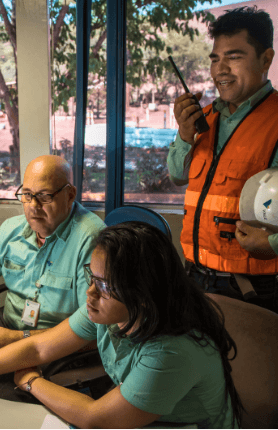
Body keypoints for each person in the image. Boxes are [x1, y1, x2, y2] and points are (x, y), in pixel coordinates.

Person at [0, 222, 242, 429]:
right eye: (91, 277)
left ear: (144, 295)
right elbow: (38, 349)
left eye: (104, 285)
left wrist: (31, 382)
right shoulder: (109, 309)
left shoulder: (172, 351)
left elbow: (93, 417)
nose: (90, 292)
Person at [167, 6, 278, 312]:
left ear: (265, 59)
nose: (220, 70)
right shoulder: (202, 118)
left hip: (251, 288)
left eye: (234, 56)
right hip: (194, 274)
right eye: (215, 59)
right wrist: (185, 135)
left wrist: (271, 245)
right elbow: (178, 175)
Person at [0, 154, 105, 347]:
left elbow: (93, 325)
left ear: (70, 195)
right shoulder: (9, 230)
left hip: (58, 347)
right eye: (28, 194)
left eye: (44, 196)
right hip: (8, 330)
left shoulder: (93, 240)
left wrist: (18, 340)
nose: (33, 206)